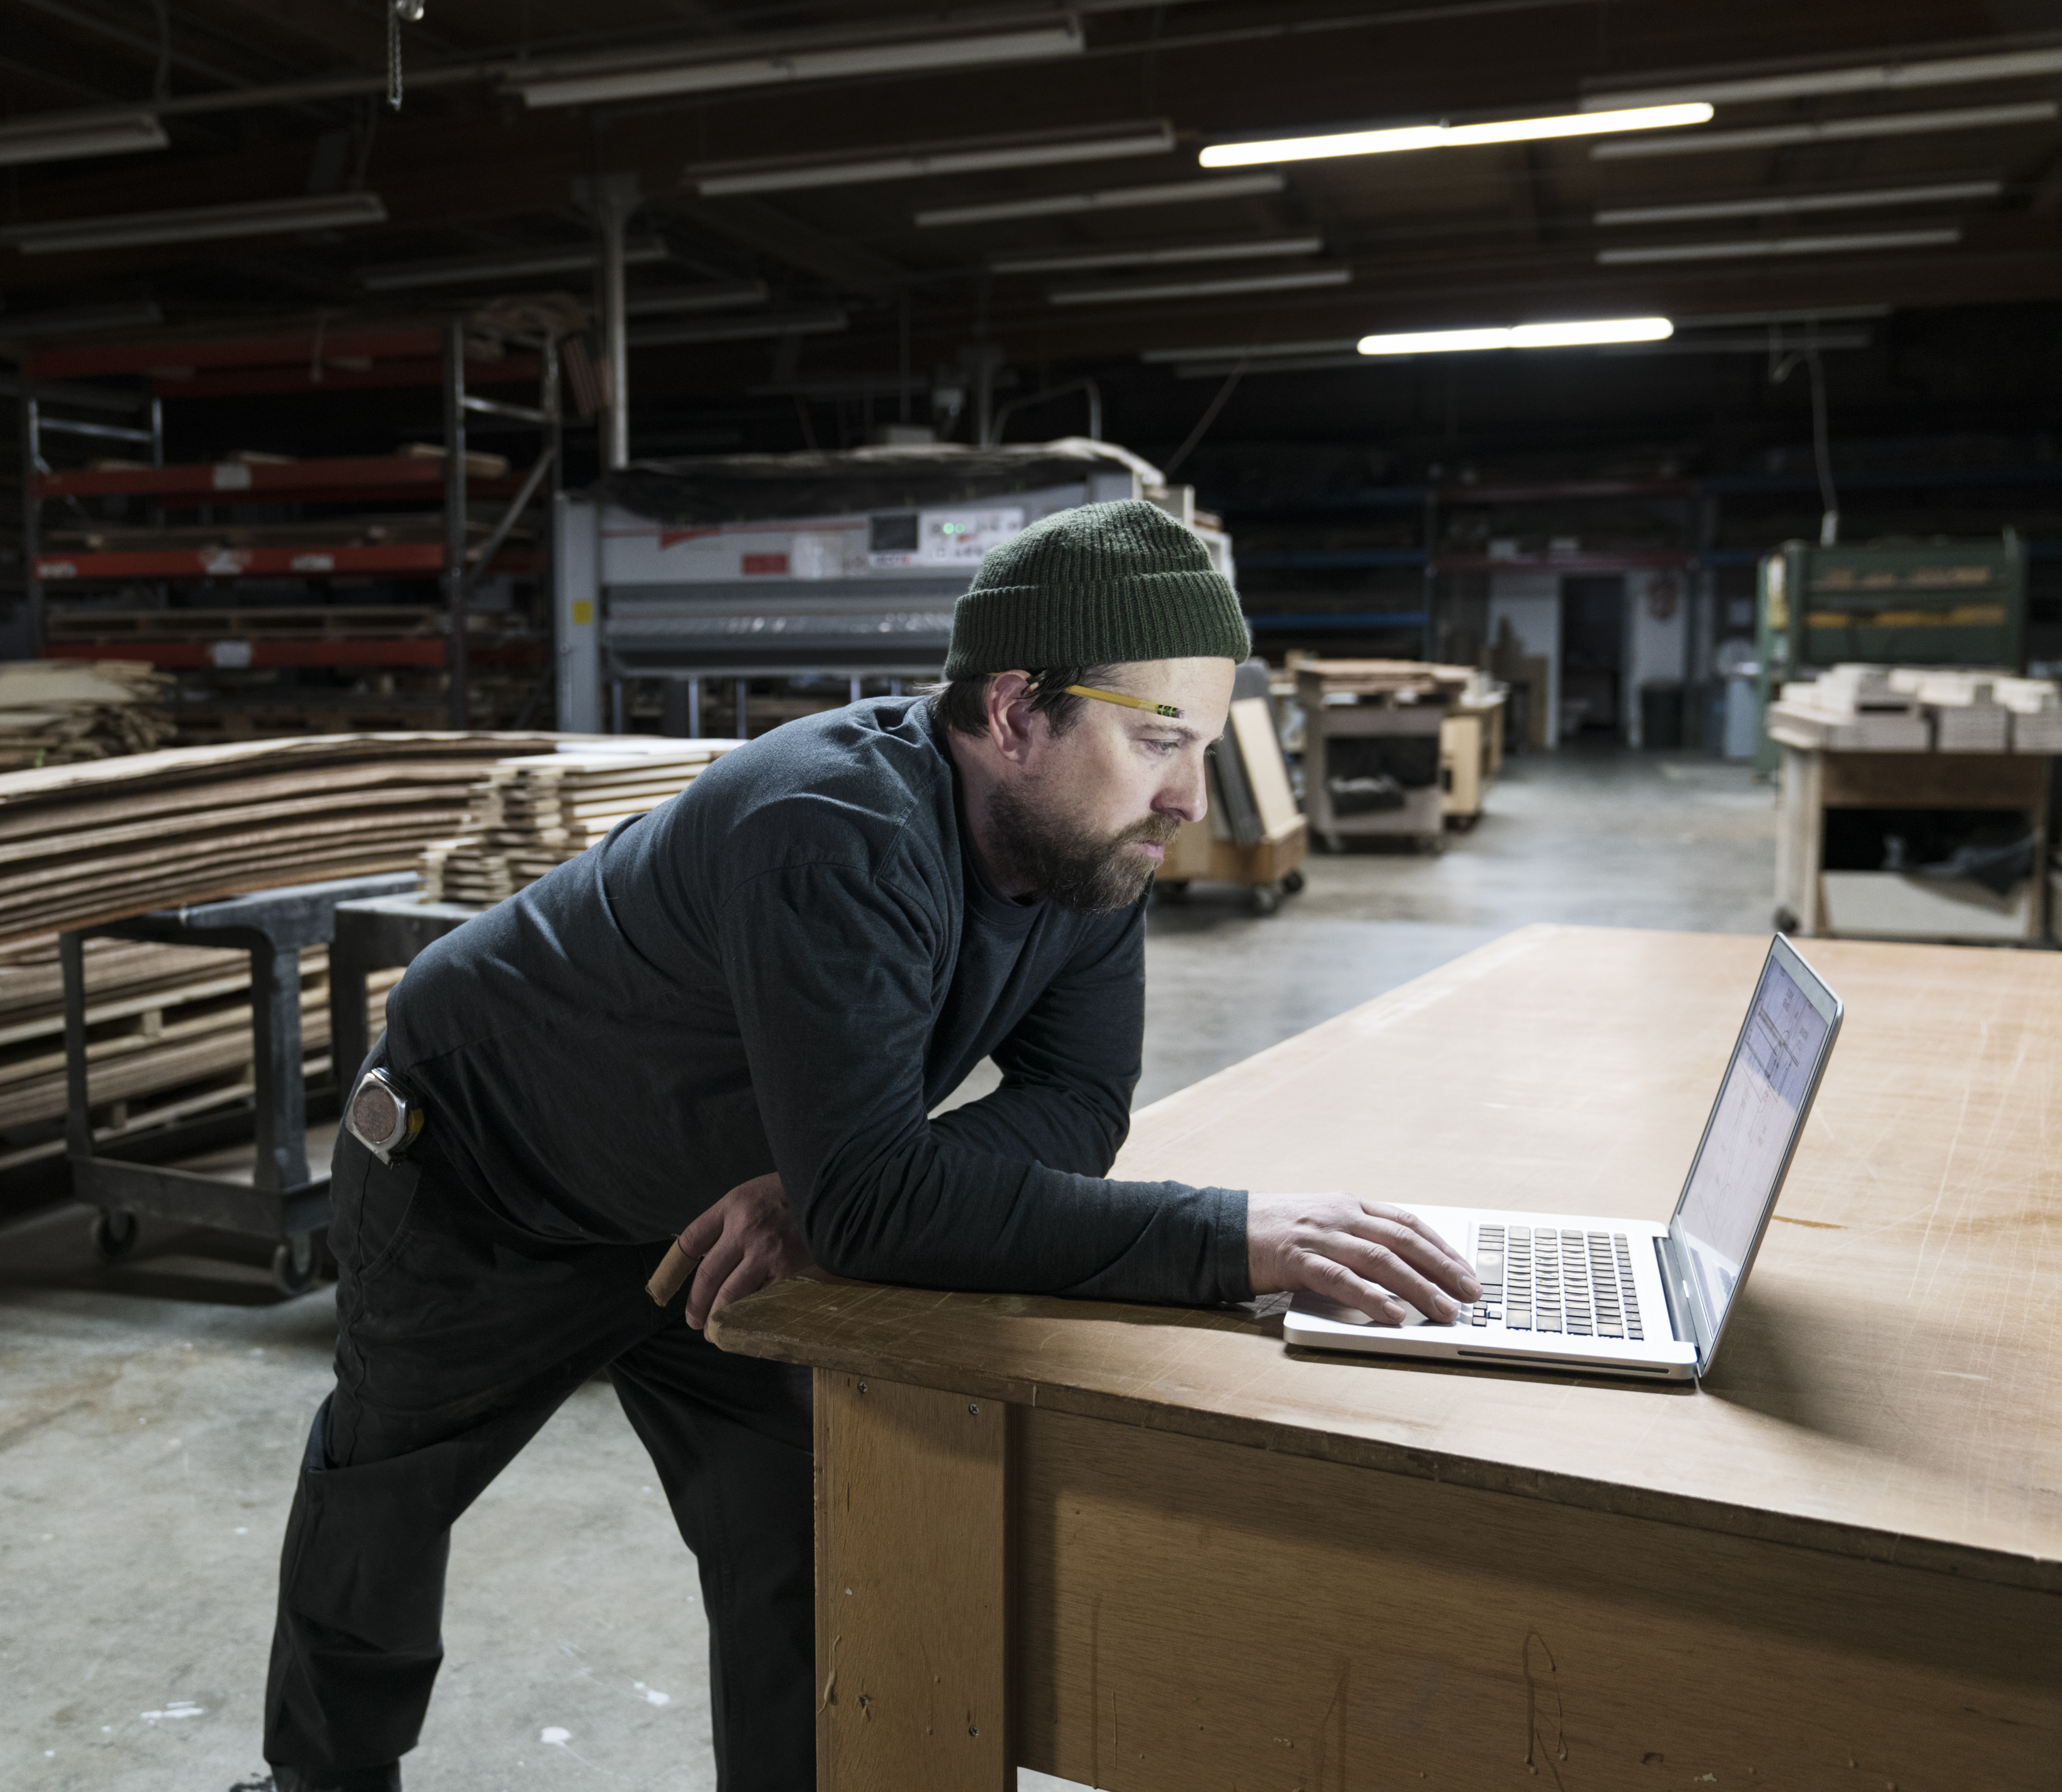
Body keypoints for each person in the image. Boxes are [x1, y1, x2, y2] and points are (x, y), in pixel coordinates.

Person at [262, 499, 1481, 1791]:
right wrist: (1226, 1237)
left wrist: (832, 1188)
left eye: (1201, 745)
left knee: (800, 1536)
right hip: (484, 1164)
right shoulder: (832, 824)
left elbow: (1078, 1106)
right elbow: (887, 1203)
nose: (1185, 796)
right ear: (1016, 713)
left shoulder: (1091, 850)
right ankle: (316, 1783)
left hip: (709, 1211)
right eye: (1154, 740)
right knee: (386, 1492)